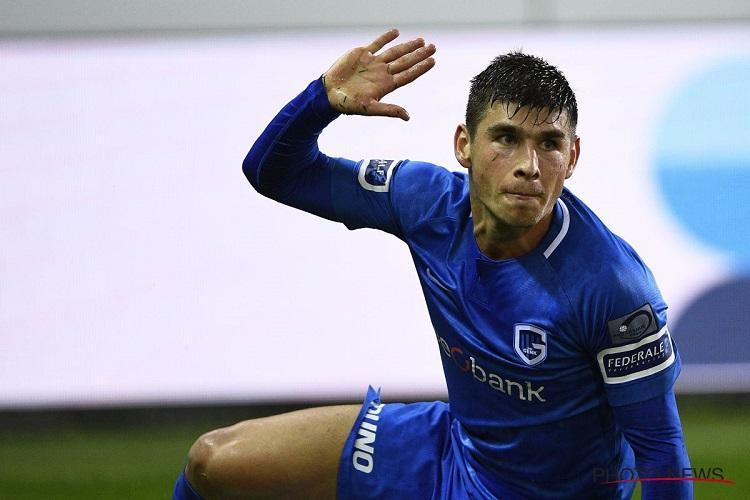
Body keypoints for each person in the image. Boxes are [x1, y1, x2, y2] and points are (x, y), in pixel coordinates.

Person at [173, 29, 692, 499]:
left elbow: (663, 456)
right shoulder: (425, 202)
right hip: (451, 447)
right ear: (464, 145)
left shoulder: (613, 288)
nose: (528, 166)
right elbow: (274, 172)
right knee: (213, 461)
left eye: (549, 144)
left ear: (572, 158)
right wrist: (320, 101)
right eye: (506, 138)